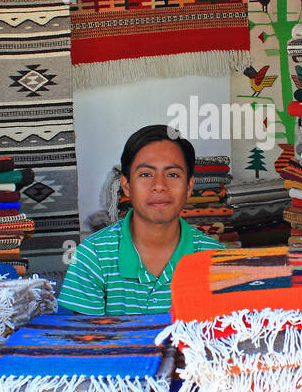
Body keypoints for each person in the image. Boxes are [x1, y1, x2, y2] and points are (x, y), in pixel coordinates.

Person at [57, 125, 224, 315]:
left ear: (189, 186)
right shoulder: (92, 256)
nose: (159, 186)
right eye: (146, 174)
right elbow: (82, 340)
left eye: (172, 174)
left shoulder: (215, 259)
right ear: (126, 185)